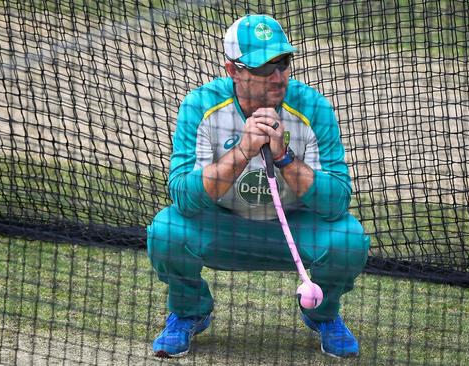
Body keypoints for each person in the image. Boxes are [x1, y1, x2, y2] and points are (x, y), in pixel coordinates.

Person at [146, 14, 370, 359]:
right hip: (224, 226)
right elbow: (183, 197)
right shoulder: (200, 106)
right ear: (234, 70)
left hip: (293, 231)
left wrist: (284, 157)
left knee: (349, 238)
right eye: (265, 67)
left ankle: (322, 313)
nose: (278, 77)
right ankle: (189, 311)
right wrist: (242, 151)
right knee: (167, 230)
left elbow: (337, 201)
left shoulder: (313, 108)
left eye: (283, 63)